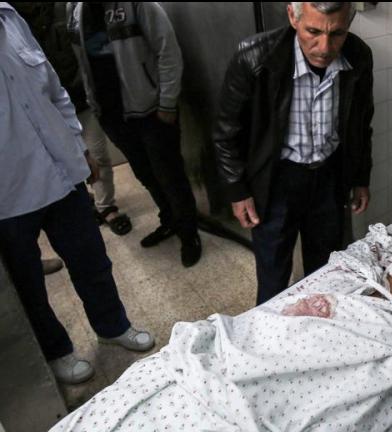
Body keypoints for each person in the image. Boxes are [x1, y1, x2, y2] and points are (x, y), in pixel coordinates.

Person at [0, 2, 154, 385]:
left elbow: (53, 89)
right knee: (29, 286)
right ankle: (57, 352)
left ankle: (112, 325)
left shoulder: (9, 17)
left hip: (61, 175)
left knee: (92, 261)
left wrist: (78, 148)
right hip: (9, 195)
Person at [214, 2, 374, 305]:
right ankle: (271, 340)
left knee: (326, 271)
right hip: (275, 180)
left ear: (349, 22)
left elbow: (361, 124)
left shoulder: (359, 56)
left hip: (328, 177)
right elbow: (225, 132)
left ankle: (318, 338)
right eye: (313, 31)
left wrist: (360, 177)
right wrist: (237, 190)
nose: (324, 47)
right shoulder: (254, 57)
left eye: (336, 33)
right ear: (292, 16)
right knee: (274, 277)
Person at [67, 2, 202, 267]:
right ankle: (170, 221)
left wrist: (167, 103)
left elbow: (168, 51)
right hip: (110, 112)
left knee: (169, 174)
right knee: (144, 173)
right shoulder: (75, 8)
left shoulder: (139, 4)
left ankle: (189, 234)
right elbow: (82, 62)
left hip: (151, 110)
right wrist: (93, 103)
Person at [12, 2, 132, 236]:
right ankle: (79, 202)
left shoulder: (63, 9)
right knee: (58, 163)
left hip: (78, 96)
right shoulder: (12, 20)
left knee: (97, 155)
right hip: (43, 109)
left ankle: (106, 207)